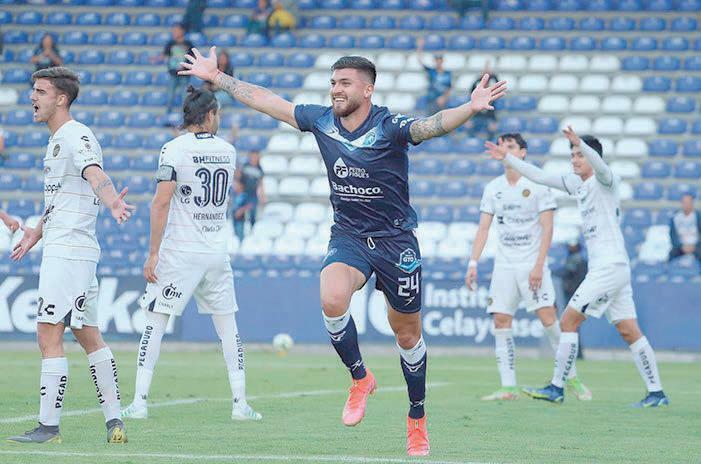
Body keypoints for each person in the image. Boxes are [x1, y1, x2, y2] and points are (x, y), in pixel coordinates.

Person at [179, 46, 506, 456]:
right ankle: (360, 378)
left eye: (345, 83)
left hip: (395, 240)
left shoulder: (388, 126)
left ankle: (416, 418)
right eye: (333, 82)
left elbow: (431, 126)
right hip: (349, 236)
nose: (336, 89)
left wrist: (470, 108)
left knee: (407, 334)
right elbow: (268, 101)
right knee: (332, 298)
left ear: (367, 90)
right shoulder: (321, 120)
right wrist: (218, 78)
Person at [485, 126, 669, 408]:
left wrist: (581, 143)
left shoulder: (607, 180)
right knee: (629, 330)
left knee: (568, 321)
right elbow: (539, 176)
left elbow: (601, 167)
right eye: (572, 155)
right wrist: (508, 158)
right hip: (613, 269)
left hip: (609, 268)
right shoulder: (577, 184)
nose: (574, 159)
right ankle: (656, 393)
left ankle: (557, 387)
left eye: (579, 155)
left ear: (592, 156)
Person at [7, 67, 134, 444]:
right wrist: (36, 232)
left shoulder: (76, 135)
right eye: (33, 90)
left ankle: (48, 427)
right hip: (70, 247)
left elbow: (95, 174)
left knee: (48, 332)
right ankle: (114, 421)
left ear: (61, 99)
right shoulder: (57, 141)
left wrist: (112, 202)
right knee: (87, 333)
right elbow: (62, 199)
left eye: (40, 91)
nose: (33, 97)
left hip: (68, 252)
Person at [121, 86, 261, 422]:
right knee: (228, 327)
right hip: (216, 251)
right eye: (218, 113)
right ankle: (240, 404)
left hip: (181, 251)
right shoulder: (228, 151)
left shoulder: (173, 149)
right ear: (210, 115)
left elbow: (161, 202)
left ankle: (139, 402)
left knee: (155, 323)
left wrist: (152, 253)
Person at [466, 133, 591, 402]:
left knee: (548, 319)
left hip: (531, 264)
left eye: (510, 146)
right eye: (502, 146)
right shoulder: (493, 187)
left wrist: (538, 265)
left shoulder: (537, 185)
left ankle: (571, 377)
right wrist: (473, 262)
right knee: (500, 320)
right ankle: (508, 387)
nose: (504, 150)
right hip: (504, 266)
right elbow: (483, 228)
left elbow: (548, 228)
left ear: (522, 153)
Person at [554, 239, 588, 360]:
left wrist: (549, 271)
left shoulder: (575, 259)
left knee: (570, 324)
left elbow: (564, 271)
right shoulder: (580, 259)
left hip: (573, 296)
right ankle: (577, 353)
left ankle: (574, 353)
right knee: (573, 325)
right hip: (577, 295)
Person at [162, 24, 194, 114]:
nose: (174, 32)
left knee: (185, 95)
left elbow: (193, 56)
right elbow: (165, 55)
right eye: (173, 31)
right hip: (173, 73)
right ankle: (168, 113)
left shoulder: (188, 44)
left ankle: (185, 113)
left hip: (185, 74)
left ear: (182, 31)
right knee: (170, 95)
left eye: (176, 30)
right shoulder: (170, 44)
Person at [416, 39, 452, 116]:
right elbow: (420, 61)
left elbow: (449, 88)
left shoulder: (447, 73)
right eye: (436, 60)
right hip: (431, 100)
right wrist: (420, 47)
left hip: (442, 102)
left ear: (442, 61)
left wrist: (444, 98)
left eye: (439, 60)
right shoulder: (431, 71)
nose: (438, 62)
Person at [465, 62, 499, 140]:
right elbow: (472, 90)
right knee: (469, 126)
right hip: (476, 116)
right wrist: (480, 76)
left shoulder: (492, 92)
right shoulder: (478, 90)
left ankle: (489, 143)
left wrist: (492, 74)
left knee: (492, 129)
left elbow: (498, 83)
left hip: (489, 116)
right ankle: (473, 142)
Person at [235, 150, 265, 231]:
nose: (254, 158)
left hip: (253, 193)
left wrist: (262, 196)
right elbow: (239, 179)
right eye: (252, 156)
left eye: (255, 156)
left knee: (252, 213)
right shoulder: (245, 166)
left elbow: (261, 183)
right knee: (238, 215)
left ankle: (252, 230)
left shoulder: (259, 169)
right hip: (243, 192)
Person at [669, 193, 701, 261]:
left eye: (689, 202)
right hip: (680, 246)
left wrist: (695, 246)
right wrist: (681, 246)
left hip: (696, 246)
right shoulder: (675, 217)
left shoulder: (698, 216)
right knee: (671, 255)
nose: (687, 204)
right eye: (685, 202)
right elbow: (672, 235)